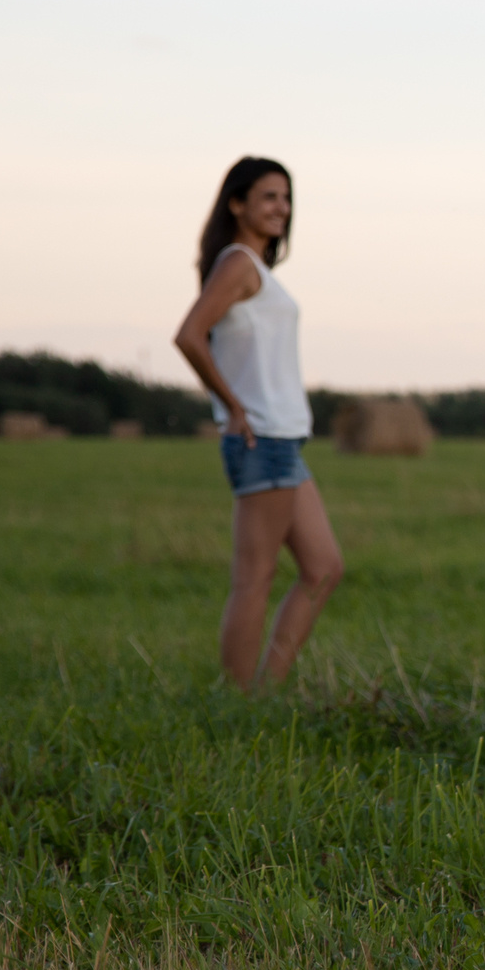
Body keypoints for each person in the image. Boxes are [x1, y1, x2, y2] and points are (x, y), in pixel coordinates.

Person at [173, 156, 345, 691]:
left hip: (282, 440)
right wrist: (234, 405)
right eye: (269, 197)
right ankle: (237, 698)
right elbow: (188, 335)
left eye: (286, 199)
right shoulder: (239, 263)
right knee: (254, 579)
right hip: (260, 437)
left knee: (323, 568)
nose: (281, 208)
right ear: (237, 203)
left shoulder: (257, 270)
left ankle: (267, 687)